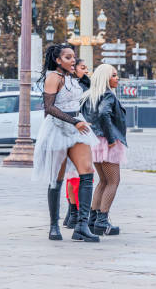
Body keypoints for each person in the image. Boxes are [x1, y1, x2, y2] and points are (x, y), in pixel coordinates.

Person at [32, 44, 99, 242]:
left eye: (73, 57)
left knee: (87, 171)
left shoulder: (71, 77)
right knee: (57, 177)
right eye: (68, 57)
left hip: (77, 128)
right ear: (57, 60)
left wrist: (78, 120)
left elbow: (89, 86)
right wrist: (74, 121)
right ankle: (54, 225)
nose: (73, 60)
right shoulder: (53, 77)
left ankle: (82, 225)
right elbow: (49, 107)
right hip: (58, 128)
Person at [81, 64, 127, 236]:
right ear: (105, 78)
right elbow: (103, 114)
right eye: (114, 75)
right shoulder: (107, 94)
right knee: (113, 181)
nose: (117, 78)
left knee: (102, 181)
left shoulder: (89, 96)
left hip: (95, 141)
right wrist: (110, 138)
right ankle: (102, 221)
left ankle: (93, 220)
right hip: (107, 142)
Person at [63, 58, 89, 229]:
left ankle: (72, 214)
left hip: (76, 127)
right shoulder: (74, 86)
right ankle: (76, 214)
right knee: (77, 176)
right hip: (75, 128)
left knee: (72, 175)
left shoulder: (82, 84)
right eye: (82, 67)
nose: (86, 70)